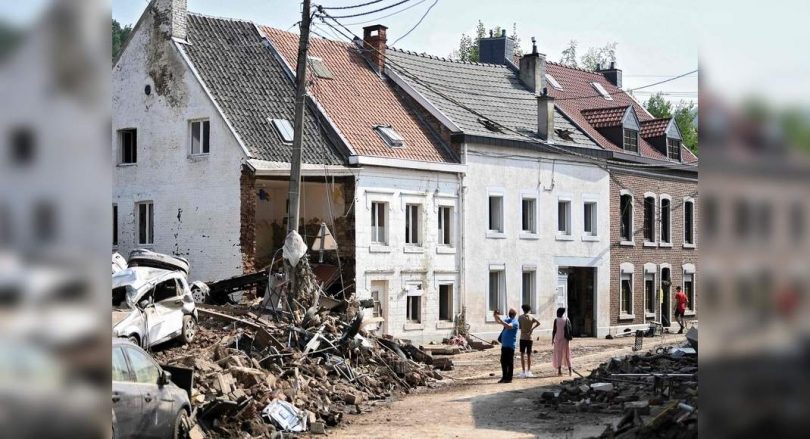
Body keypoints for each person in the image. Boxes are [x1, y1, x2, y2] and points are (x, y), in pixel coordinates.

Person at [493, 308, 519, 383]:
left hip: (510, 345)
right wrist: (495, 316)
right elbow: (498, 321)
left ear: (514, 314)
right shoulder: (508, 319)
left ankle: (509, 378)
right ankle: (504, 377)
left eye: (511, 312)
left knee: (509, 362)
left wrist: (501, 320)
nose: (510, 313)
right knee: (503, 361)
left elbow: (508, 326)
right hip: (504, 345)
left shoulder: (515, 322)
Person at [517, 304, 540, 378]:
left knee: (522, 354)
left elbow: (519, 327)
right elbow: (538, 323)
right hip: (530, 337)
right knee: (529, 355)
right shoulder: (532, 317)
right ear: (529, 309)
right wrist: (532, 329)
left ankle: (523, 371)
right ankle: (529, 371)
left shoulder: (520, 317)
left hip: (523, 337)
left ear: (523, 309)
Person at [551, 307, 572, 376]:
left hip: (558, 340)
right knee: (567, 355)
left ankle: (559, 371)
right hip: (565, 340)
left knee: (558, 355)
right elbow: (570, 329)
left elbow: (554, 330)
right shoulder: (567, 319)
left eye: (557, 312)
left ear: (559, 313)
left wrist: (552, 339)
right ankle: (570, 370)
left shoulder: (556, 320)